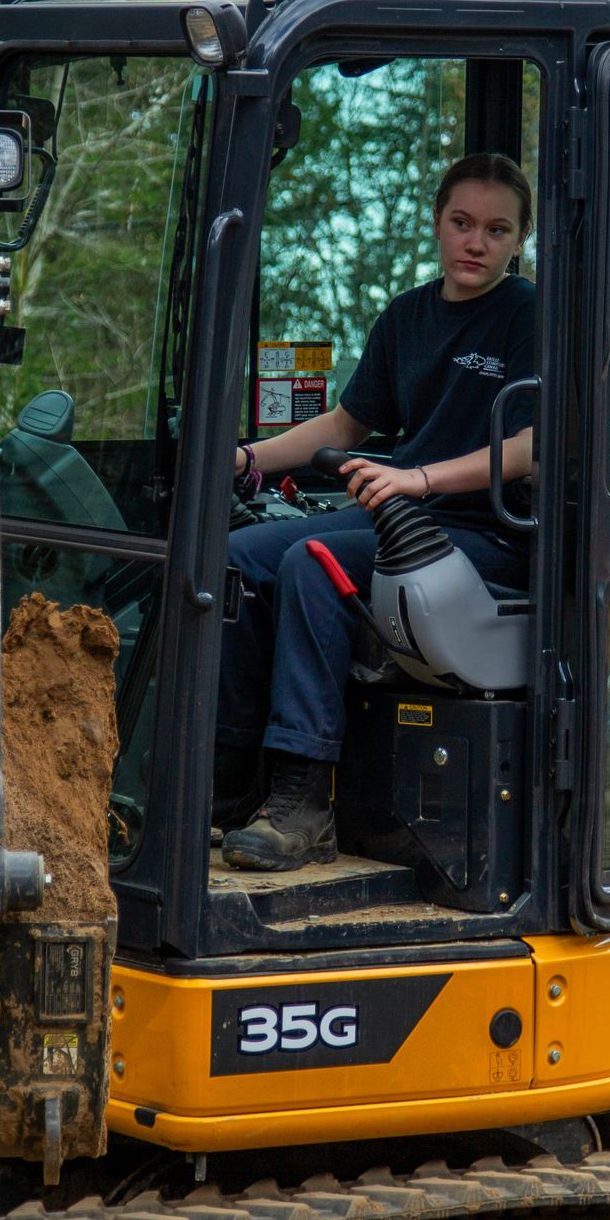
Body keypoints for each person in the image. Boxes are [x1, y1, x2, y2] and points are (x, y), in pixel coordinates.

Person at [214, 152, 536, 872]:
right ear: (437, 225)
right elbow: (346, 426)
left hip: (483, 535)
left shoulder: (528, 315)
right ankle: (230, 783)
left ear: (518, 240)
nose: (475, 242)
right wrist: (247, 458)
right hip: (400, 517)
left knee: (313, 562)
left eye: (495, 228)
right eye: (461, 223)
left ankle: (305, 799)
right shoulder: (407, 316)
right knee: (239, 559)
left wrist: (419, 478)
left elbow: (529, 449)